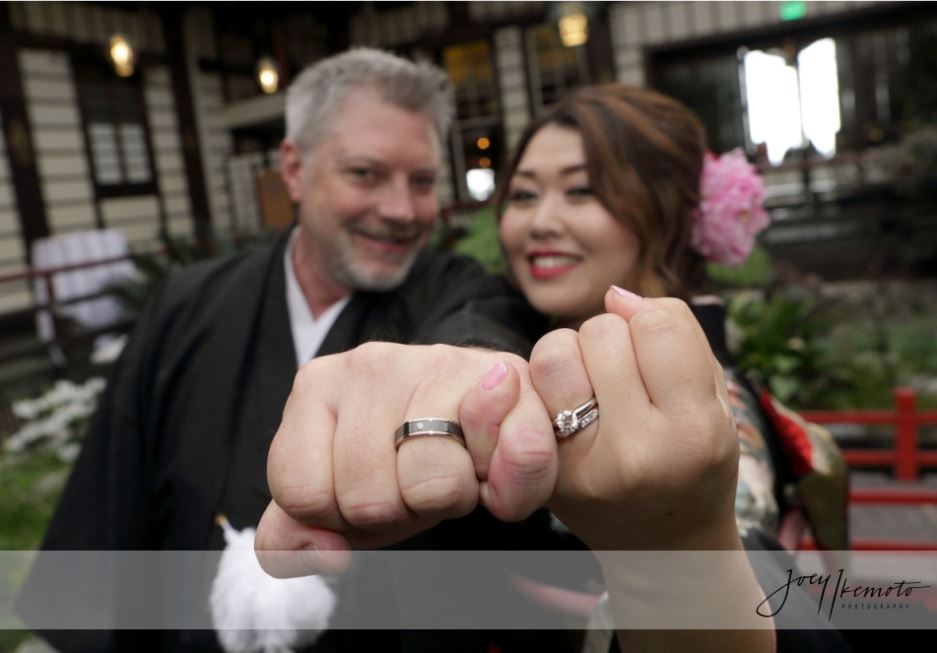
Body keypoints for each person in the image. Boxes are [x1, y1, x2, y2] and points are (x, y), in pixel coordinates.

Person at [256, 85, 853, 652]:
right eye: (523, 194)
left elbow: (746, 578)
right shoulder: (511, 324)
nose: (540, 221)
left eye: (582, 191)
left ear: (664, 215)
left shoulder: (704, 409)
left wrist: (674, 561)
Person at [17, 48, 551, 653]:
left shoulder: (454, 291)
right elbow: (113, 506)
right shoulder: (185, 305)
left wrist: (470, 374)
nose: (403, 209)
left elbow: (481, 333)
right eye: (365, 174)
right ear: (294, 169)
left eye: (423, 181)